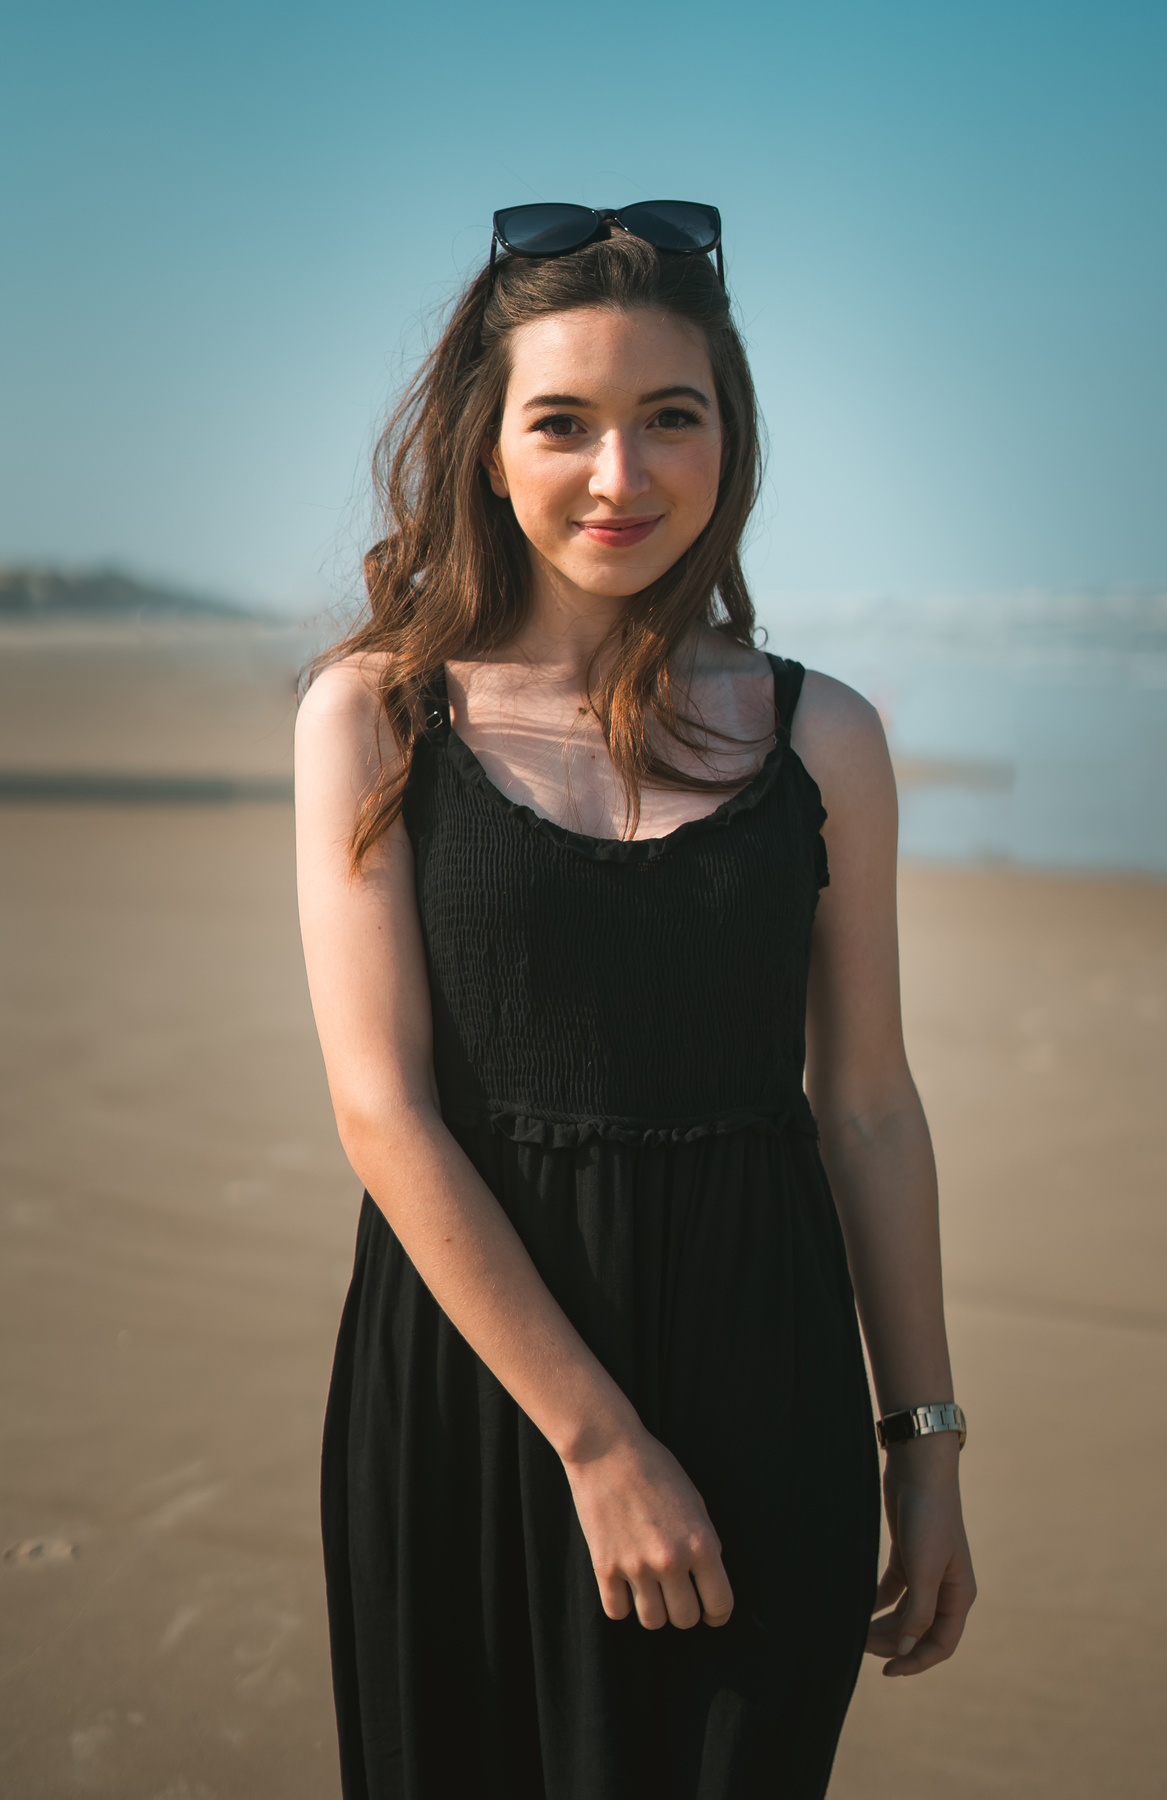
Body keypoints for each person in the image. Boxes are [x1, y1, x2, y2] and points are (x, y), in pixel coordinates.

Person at [295, 202, 976, 1800]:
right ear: (486, 445)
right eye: (565, 422)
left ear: (729, 442)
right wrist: (599, 1446)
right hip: (477, 1391)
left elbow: (868, 1101)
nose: (623, 473)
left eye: (673, 417)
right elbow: (381, 1108)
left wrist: (925, 1447)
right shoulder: (375, 718)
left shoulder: (826, 737)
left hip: (772, 1382)